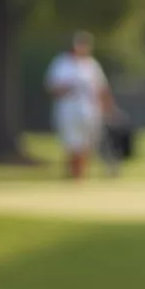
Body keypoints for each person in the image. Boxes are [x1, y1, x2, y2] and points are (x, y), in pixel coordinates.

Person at [44, 32, 112, 180]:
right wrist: (69, 87)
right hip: (68, 109)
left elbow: (101, 89)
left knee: (87, 142)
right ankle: (72, 172)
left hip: (89, 110)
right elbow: (52, 87)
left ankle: (81, 173)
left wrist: (107, 108)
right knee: (71, 142)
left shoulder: (92, 65)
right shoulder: (62, 63)